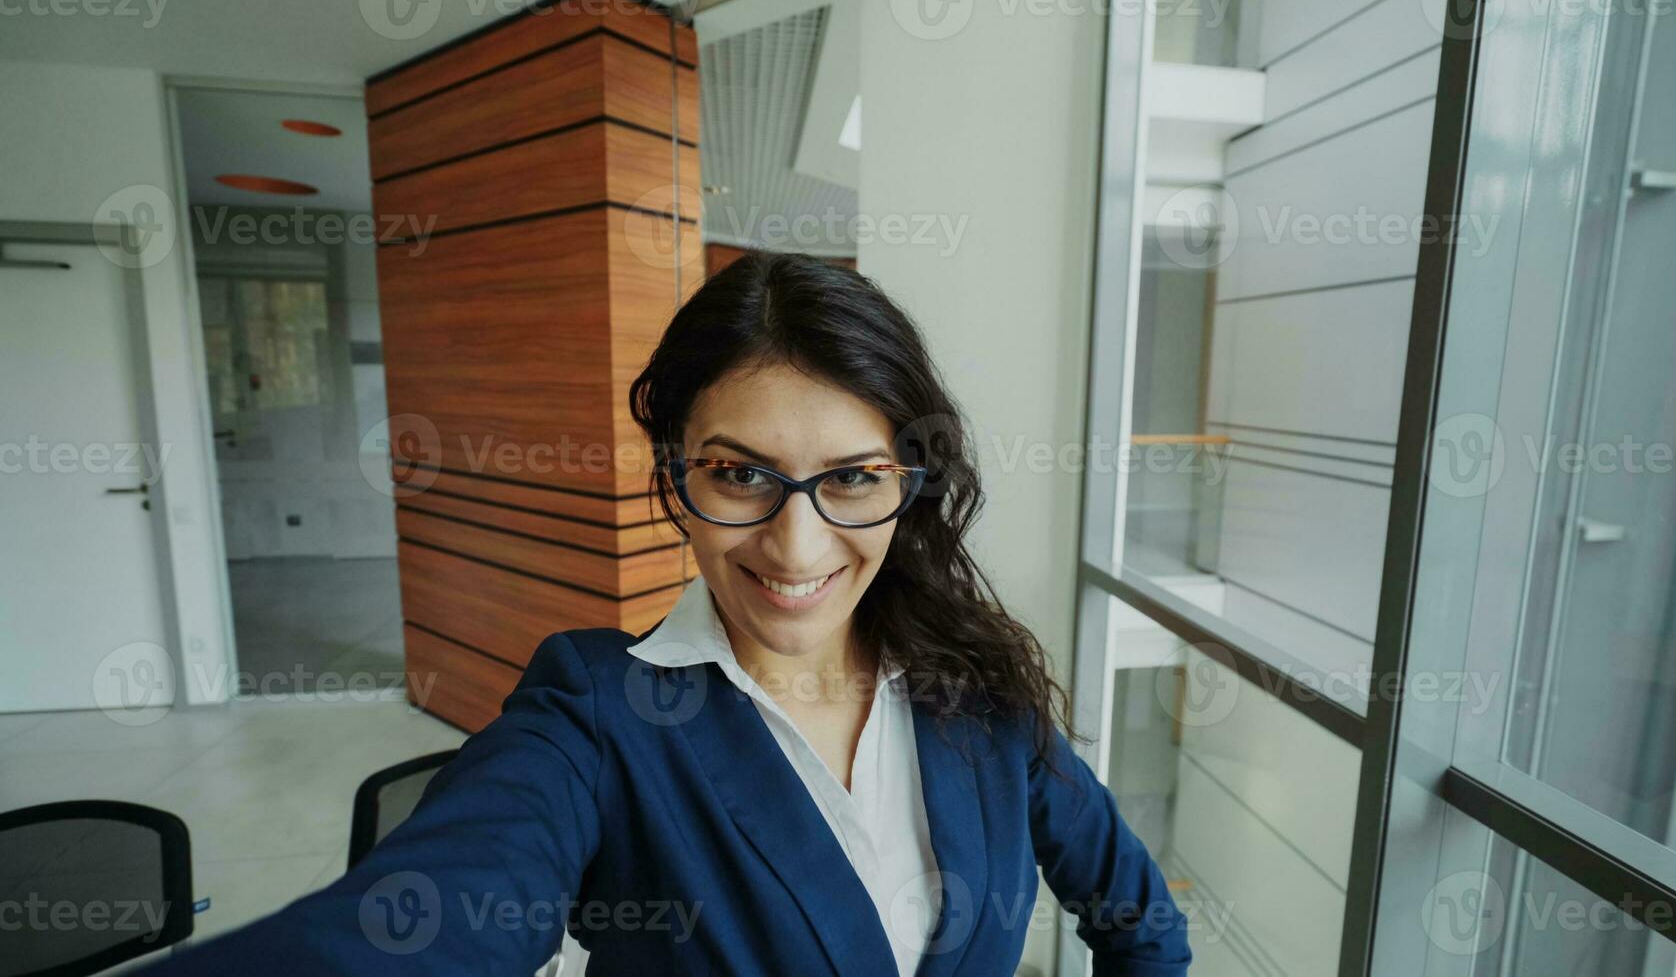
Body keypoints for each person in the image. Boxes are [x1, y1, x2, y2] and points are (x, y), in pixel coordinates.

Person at [141, 252, 1192, 975]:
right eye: (739, 474)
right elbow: (422, 921)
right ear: (673, 473)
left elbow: (1140, 920)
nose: (796, 545)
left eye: (853, 478)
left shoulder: (977, 686)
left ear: (908, 480)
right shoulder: (597, 715)